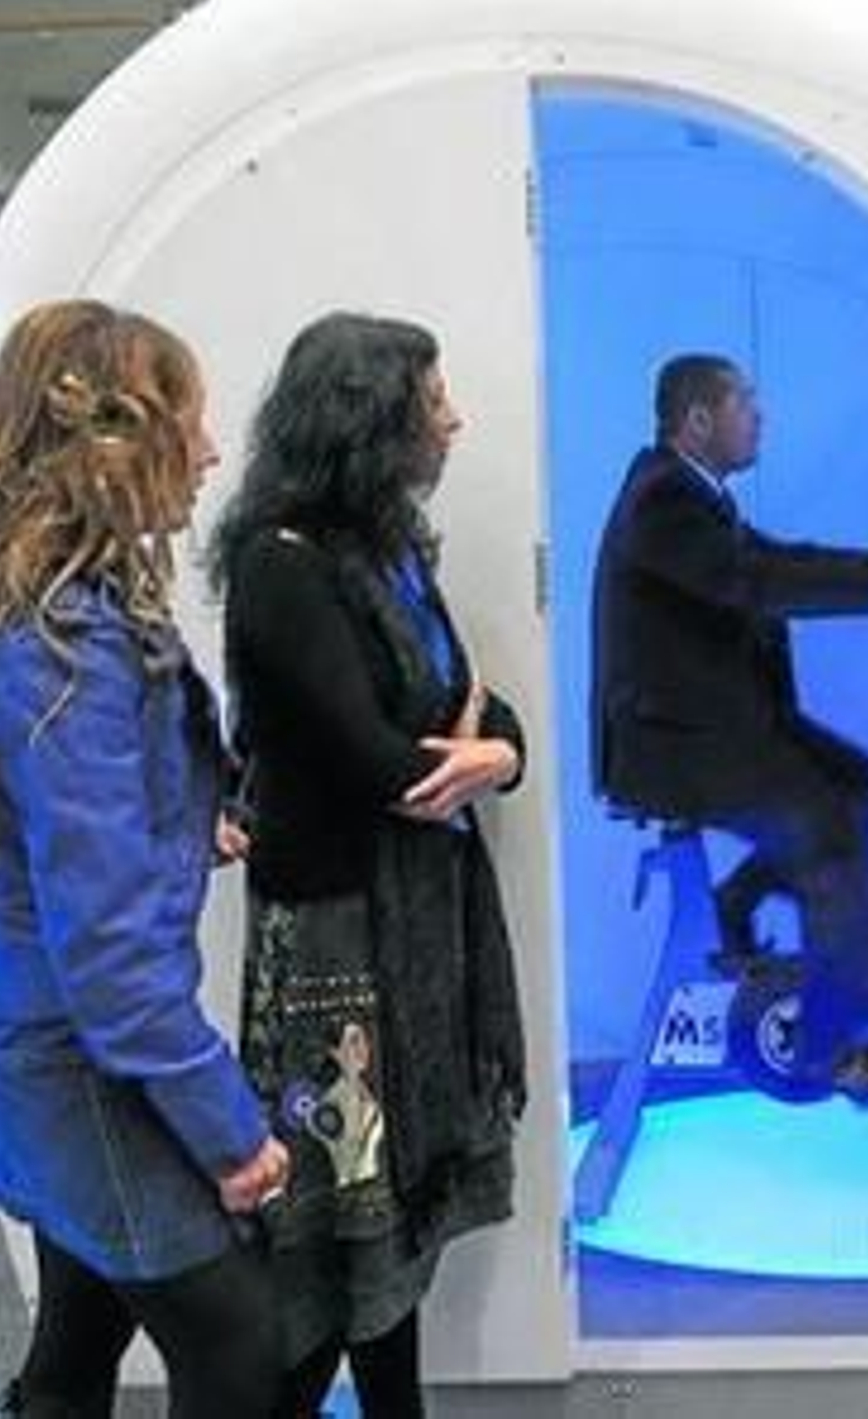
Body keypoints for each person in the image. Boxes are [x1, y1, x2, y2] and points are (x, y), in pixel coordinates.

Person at [213, 313, 527, 1418]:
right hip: (335, 946)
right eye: (432, 402)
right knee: (331, 1242)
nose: (453, 421)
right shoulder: (281, 566)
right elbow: (379, 760)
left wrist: (495, 753)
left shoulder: (389, 555)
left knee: (383, 1240)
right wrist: (468, 755)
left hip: (411, 925)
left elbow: (474, 717)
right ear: (370, 421)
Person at [0, 300, 286, 1417]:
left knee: (81, 1326)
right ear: (111, 442)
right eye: (191, 423)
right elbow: (111, 960)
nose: (210, 452)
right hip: (77, 1054)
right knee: (238, 1340)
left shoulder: (59, 618)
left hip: (47, 1033)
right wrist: (231, 1130)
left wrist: (178, 821)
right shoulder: (63, 648)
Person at [591, 352, 868, 1094]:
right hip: (672, 746)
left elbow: (770, 559)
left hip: (715, 727)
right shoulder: (661, 498)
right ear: (698, 419)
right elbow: (752, 580)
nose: (759, 416)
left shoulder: (694, 493)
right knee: (829, 827)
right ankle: (835, 1042)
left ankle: (742, 899)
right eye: (744, 403)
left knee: (860, 783)